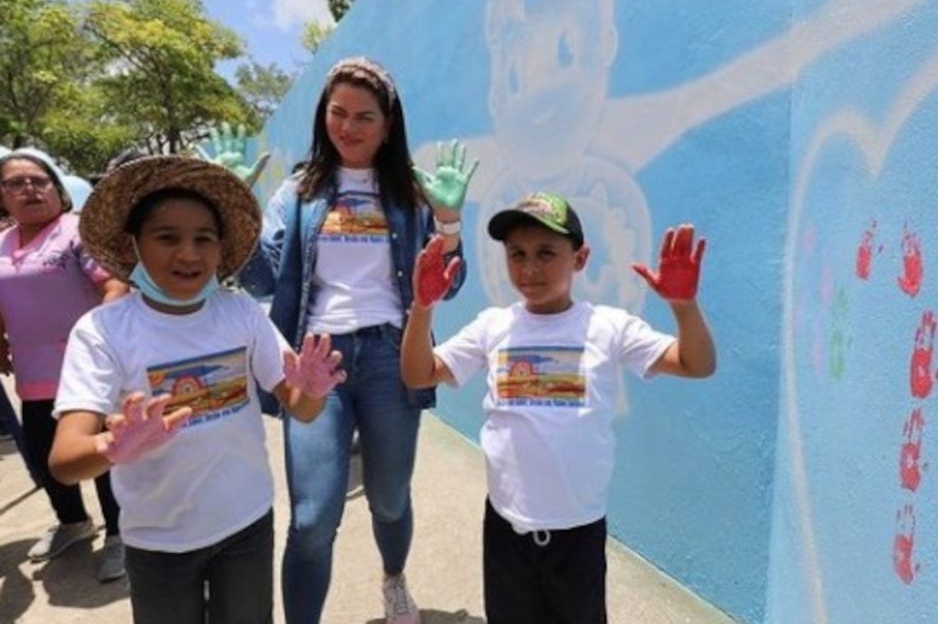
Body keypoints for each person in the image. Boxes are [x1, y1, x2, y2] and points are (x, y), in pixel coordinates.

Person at [47, 155, 346, 623]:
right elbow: (64, 462)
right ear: (134, 245)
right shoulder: (102, 331)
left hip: (246, 524)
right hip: (158, 541)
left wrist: (311, 390)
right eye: (167, 238)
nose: (188, 253)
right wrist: (114, 445)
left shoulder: (242, 312)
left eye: (203, 239)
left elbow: (301, 409)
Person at [401, 191, 717, 624]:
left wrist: (684, 308)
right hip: (506, 528)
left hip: (579, 533)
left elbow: (696, 364)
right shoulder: (494, 326)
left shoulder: (607, 327)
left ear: (580, 257)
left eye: (547, 253)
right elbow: (419, 374)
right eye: (517, 254)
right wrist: (422, 309)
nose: (530, 268)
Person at [239, 55, 475, 624]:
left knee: (390, 499)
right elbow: (261, 280)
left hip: (392, 361)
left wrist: (448, 224)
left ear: (388, 125)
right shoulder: (297, 193)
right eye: (337, 113)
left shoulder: (413, 195)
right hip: (318, 360)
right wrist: (238, 218)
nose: (347, 127)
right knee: (313, 517)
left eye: (363, 116)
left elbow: (450, 282)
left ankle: (393, 580)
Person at [0, 147, 128, 581]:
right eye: (15, 183)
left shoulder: (77, 233)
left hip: (89, 378)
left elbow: (114, 285)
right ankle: (74, 523)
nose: (29, 189)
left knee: (102, 457)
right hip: (34, 378)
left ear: (58, 189)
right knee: (45, 459)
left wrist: (100, 342)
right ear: (2, 196)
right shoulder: (0, 243)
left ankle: (119, 535)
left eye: (39, 180)